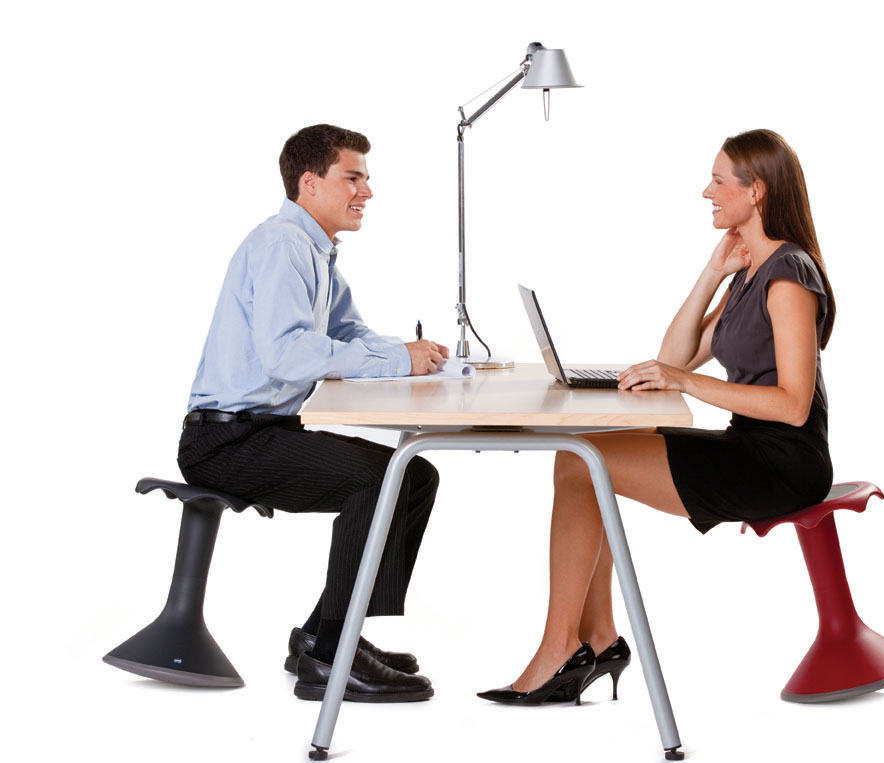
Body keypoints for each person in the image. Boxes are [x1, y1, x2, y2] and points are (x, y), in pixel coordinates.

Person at [478, 129, 835, 704]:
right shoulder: (751, 272)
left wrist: (686, 382)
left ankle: (563, 650)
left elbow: (793, 405)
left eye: (719, 181)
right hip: (748, 448)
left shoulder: (790, 276)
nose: (706, 192)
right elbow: (673, 359)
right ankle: (593, 637)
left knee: (580, 462)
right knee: (581, 454)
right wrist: (711, 275)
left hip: (781, 464)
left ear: (757, 192)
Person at [177, 123, 450, 703]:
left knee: (416, 473)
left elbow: (347, 331)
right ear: (310, 182)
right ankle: (330, 656)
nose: (367, 192)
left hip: (264, 432)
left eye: (367, 180)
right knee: (383, 480)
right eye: (353, 177)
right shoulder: (282, 244)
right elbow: (287, 355)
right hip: (227, 443)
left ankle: (327, 633)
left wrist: (411, 356)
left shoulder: (314, 249)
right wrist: (397, 360)